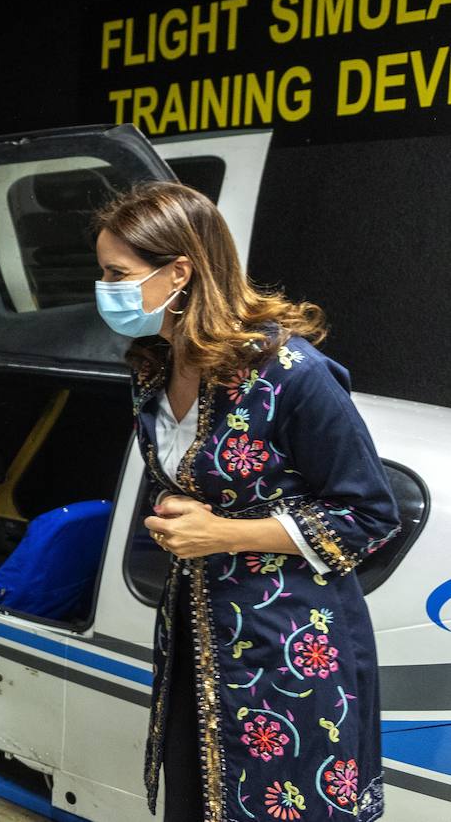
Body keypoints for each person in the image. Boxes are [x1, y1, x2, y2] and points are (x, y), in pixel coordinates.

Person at [93, 182, 401, 822]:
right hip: (197, 638)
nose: (105, 288)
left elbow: (370, 514)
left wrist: (223, 533)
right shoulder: (153, 365)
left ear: (179, 271)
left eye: (117, 274)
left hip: (292, 649)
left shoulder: (292, 373)